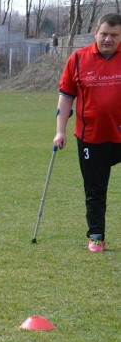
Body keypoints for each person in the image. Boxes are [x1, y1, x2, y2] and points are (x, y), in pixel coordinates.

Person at [53, 13, 121, 253]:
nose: (109, 40)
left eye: (114, 35)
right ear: (96, 33)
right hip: (91, 136)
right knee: (95, 189)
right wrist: (59, 132)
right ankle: (96, 236)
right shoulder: (78, 59)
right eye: (104, 34)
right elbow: (66, 98)